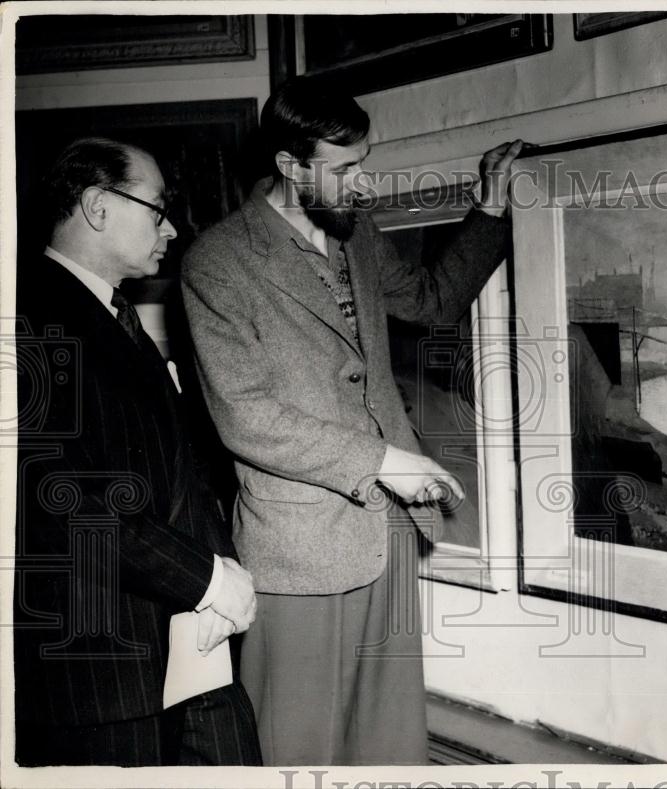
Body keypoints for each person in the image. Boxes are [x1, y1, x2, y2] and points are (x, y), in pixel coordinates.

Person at [181, 75, 521, 765]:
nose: (360, 184)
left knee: (386, 739)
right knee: (295, 745)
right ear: (289, 164)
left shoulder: (356, 232)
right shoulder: (217, 262)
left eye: (363, 162)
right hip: (299, 546)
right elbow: (246, 416)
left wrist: (489, 206)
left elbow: (430, 300)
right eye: (342, 169)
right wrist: (385, 461)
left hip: (385, 528)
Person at [14, 137, 262, 767]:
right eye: (158, 209)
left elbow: (179, 471)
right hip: (101, 674)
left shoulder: (113, 314)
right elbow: (62, 499)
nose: (171, 229)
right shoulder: (27, 318)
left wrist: (222, 576)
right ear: (98, 207)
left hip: (188, 642)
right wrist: (207, 579)